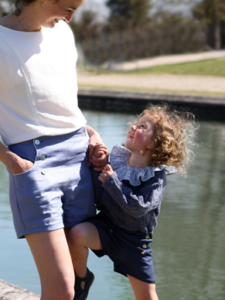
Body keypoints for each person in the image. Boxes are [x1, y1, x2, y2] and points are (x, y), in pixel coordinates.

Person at [0, 1, 108, 300]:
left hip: (79, 156)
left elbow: (62, 100)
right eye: (68, 6)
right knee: (60, 289)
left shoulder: (64, 34)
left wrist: (91, 133)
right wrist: (10, 160)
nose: (72, 16)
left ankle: (83, 280)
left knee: (76, 274)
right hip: (33, 165)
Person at [68, 104, 197, 300]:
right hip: (107, 227)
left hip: (135, 242)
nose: (134, 127)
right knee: (76, 235)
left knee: (147, 297)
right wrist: (98, 166)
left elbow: (138, 208)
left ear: (155, 143)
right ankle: (82, 279)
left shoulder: (155, 178)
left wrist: (112, 181)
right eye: (137, 123)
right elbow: (99, 195)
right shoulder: (117, 162)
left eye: (143, 127)